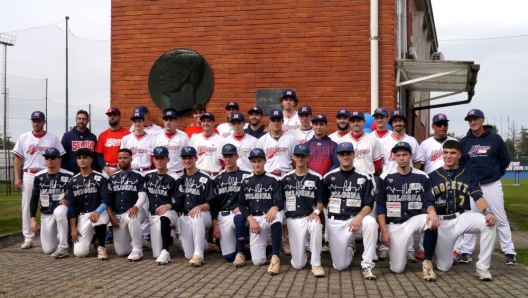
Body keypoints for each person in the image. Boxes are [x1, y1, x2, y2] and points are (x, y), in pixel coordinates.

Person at [429, 140, 497, 280]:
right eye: (446, 152)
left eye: (453, 153)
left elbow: (478, 196)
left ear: (459, 155)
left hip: (461, 218)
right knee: (444, 266)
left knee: (488, 223)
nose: (449, 156)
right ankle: (448, 257)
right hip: (442, 223)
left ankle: (482, 267)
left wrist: (487, 212)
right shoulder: (432, 176)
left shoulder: (469, 174)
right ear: (442, 154)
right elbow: (428, 202)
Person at [458, 109, 516, 265]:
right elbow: (461, 164)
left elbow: (504, 160)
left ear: (482, 120)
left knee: (500, 217)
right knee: (469, 218)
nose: (473, 122)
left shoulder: (495, 139)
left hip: (491, 184)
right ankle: (466, 251)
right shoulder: (464, 142)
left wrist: (495, 173)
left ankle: (509, 251)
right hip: (472, 186)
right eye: (470, 119)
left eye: (476, 119)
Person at [376, 142, 440, 281]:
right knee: (397, 269)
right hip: (394, 224)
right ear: (394, 157)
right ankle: (401, 254)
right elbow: (380, 206)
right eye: (398, 155)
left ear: (411, 155)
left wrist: (432, 211)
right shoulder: (385, 177)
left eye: (404, 154)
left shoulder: (422, 176)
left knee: (431, 221)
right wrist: (383, 231)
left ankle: (427, 262)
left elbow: (428, 199)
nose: (401, 158)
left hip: (413, 220)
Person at [323, 142, 378, 279]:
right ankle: (350, 250)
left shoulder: (364, 177)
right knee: (340, 266)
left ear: (354, 155)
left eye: (348, 154)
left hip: (356, 219)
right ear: (338, 156)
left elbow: (369, 204)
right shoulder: (329, 177)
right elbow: (323, 201)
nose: (345, 157)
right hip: (336, 221)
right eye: (342, 154)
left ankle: (367, 265)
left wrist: (359, 217)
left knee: (371, 222)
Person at [13, 111, 65, 249]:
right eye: (34, 121)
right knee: (27, 205)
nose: (36, 123)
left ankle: (57, 234)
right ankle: (28, 237)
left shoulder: (52, 138)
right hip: (29, 173)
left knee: (53, 202)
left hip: (47, 173)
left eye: (39, 121)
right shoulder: (24, 137)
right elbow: (17, 158)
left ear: (44, 122)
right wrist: (17, 177)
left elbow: (60, 156)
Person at [377, 109, 423, 261]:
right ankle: (384, 247)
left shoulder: (412, 141)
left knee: (408, 213)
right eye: (395, 120)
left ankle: (409, 249)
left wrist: (412, 176)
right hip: (388, 180)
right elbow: (379, 162)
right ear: (392, 123)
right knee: (387, 213)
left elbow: (417, 161)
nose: (398, 123)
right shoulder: (384, 141)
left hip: (407, 181)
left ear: (404, 122)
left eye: (400, 120)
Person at [414, 113, 456, 260]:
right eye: (439, 124)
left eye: (445, 123)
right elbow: (421, 166)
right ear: (433, 127)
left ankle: (454, 249)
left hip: (450, 183)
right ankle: (424, 248)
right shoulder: (425, 144)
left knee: (453, 213)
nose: (443, 126)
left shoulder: (454, 142)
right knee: (427, 214)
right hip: (431, 183)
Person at [238, 148, 284, 275]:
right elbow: (241, 204)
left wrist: (275, 207)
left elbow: (280, 202)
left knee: (277, 216)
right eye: (254, 161)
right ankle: (271, 248)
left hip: (268, 216)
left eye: (259, 161)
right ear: (250, 163)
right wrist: (250, 219)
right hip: (255, 219)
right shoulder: (246, 181)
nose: (257, 164)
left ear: (265, 161)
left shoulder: (274, 179)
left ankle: (275, 257)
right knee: (258, 261)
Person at [281, 144, 325, 277]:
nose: (300, 158)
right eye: (298, 155)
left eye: (303, 156)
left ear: (308, 158)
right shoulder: (285, 178)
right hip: (292, 219)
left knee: (316, 226)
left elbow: (321, 201)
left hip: (309, 216)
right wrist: (284, 228)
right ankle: (303, 254)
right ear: (293, 157)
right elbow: (280, 202)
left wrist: (316, 212)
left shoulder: (317, 177)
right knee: (298, 265)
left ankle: (316, 264)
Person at [140, 146, 184, 264]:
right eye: (157, 158)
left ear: (168, 159)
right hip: (154, 215)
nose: (159, 161)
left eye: (162, 158)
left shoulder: (174, 178)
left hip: (170, 213)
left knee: (165, 217)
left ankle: (166, 251)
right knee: (155, 254)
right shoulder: (148, 176)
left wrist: (169, 206)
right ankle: (171, 238)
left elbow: (180, 201)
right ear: (153, 160)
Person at [67, 148, 110, 260]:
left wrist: (98, 211)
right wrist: (73, 228)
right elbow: (71, 206)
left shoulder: (100, 178)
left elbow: (106, 200)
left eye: (85, 157)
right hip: (83, 216)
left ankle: (101, 247)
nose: (82, 160)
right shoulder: (73, 181)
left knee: (98, 219)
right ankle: (94, 237)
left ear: (91, 159)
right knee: (80, 253)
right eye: (79, 158)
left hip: (99, 212)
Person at [29, 147, 73, 258]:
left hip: (62, 210)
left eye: (53, 157)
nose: (50, 160)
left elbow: (73, 194)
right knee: (48, 249)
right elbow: (34, 198)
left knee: (59, 212)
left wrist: (67, 199)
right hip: (46, 213)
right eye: (47, 157)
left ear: (59, 159)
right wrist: (32, 218)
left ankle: (63, 246)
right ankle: (66, 238)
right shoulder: (39, 176)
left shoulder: (69, 175)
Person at [212, 144, 251, 266]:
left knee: (239, 217)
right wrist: (215, 226)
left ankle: (240, 253)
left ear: (237, 156)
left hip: (239, 214)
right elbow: (214, 205)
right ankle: (256, 251)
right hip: (223, 217)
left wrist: (245, 207)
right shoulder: (217, 179)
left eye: (231, 156)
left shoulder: (246, 176)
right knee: (228, 257)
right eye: (225, 156)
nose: (228, 159)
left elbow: (253, 197)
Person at [105, 148, 148, 261]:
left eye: (125, 158)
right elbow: (107, 199)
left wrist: (136, 207)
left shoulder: (139, 176)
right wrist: (111, 216)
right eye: (120, 158)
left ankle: (138, 250)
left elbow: (142, 196)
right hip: (118, 214)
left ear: (131, 159)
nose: (122, 160)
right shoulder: (112, 178)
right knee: (121, 252)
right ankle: (141, 240)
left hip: (137, 211)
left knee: (131, 216)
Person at [305, 114, 338, 253]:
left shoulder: (333, 144)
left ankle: (329, 241)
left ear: (326, 125)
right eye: (316, 124)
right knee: (309, 212)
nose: (319, 127)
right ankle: (308, 244)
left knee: (329, 213)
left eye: (321, 124)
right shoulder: (306, 145)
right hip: (310, 183)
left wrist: (324, 177)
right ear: (312, 125)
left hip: (327, 183)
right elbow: (302, 163)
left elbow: (336, 163)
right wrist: (314, 177)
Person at [179, 146, 217, 266]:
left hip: (203, 215)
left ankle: (199, 255)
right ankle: (205, 245)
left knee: (196, 217)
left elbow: (211, 202)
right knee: (188, 254)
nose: (187, 160)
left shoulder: (205, 178)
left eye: (190, 157)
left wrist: (200, 207)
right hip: (185, 216)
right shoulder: (180, 179)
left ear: (196, 158)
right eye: (184, 158)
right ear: (181, 160)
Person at [339, 111, 383, 176]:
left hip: (368, 179)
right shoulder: (342, 140)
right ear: (349, 123)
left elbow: (378, 162)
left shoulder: (372, 139)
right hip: (349, 178)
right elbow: (339, 161)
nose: (356, 123)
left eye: (358, 121)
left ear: (364, 122)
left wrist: (370, 172)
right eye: (353, 121)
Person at [256, 109, 297, 178]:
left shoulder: (292, 139)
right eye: (273, 120)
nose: (276, 123)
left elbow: (295, 160)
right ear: (269, 121)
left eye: (278, 120)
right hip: (268, 175)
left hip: (287, 174)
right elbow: (258, 161)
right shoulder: (262, 140)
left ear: (282, 121)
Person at [151, 108, 190, 174]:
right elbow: (152, 156)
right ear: (163, 122)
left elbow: (188, 156)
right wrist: (159, 168)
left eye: (171, 120)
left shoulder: (183, 136)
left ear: (176, 122)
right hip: (162, 173)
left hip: (178, 173)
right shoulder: (156, 136)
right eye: (166, 120)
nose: (168, 122)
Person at [95, 108, 130, 178]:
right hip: (107, 169)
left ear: (120, 117)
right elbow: (99, 155)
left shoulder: (127, 134)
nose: (111, 117)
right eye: (109, 115)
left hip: (123, 168)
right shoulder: (102, 135)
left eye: (114, 115)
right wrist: (107, 170)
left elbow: (130, 154)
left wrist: (119, 168)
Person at [60, 110, 99, 174]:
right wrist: (65, 171)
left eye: (84, 119)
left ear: (88, 121)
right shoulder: (67, 136)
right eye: (79, 119)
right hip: (71, 173)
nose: (81, 121)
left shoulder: (92, 137)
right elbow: (63, 156)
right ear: (76, 120)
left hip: (90, 173)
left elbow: (95, 156)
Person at [190, 112, 223, 178]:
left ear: (214, 123)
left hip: (215, 176)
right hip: (198, 175)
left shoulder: (221, 139)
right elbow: (190, 158)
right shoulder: (194, 139)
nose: (205, 123)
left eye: (208, 121)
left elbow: (224, 161)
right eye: (203, 121)